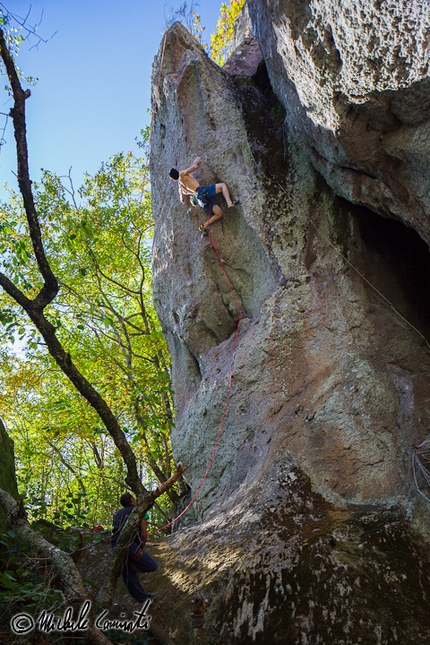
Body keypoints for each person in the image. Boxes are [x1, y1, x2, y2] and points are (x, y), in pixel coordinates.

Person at [169, 157, 239, 236]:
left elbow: (182, 200)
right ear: (177, 171)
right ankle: (229, 203)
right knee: (222, 186)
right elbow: (194, 167)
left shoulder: (180, 188)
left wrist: (185, 192)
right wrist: (196, 162)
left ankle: (204, 226)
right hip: (201, 191)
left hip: (199, 199)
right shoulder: (181, 174)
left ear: (174, 180)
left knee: (219, 213)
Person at [111, 492, 158, 604]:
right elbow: (144, 535)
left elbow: (116, 530)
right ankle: (132, 566)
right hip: (130, 545)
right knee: (152, 565)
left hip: (115, 545)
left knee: (128, 574)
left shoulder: (117, 514)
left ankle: (143, 598)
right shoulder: (140, 511)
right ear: (132, 500)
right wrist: (140, 548)